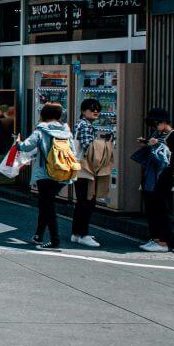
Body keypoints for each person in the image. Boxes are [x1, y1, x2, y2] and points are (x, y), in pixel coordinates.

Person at [13, 102, 74, 250]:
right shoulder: (67, 131)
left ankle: (55, 240)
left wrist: (17, 142)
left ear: (43, 115)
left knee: (48, 207)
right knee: (45, 204)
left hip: (45, 174)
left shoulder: (40, 131)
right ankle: (38, 235)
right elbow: (72, 150)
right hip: (63, 172)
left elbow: (26, 146)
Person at [138, 107, 174, 253]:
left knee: (163, 210)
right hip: (151, 177)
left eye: (156, 124)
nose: (154, 127)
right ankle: (155, 238)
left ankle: (164, 242)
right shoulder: (157, 133)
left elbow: (172, 159)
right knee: (152, 210)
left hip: (164, 178)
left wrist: (156, 144)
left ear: (163, 122)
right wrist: (146, 144)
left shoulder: (173, 136)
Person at [71, 98, 103, 247]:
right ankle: (83, 234)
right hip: (86, 168)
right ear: (84, 111)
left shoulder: (80, 124)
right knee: (87, 202)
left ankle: (77, 233)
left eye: (97, 108)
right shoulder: (85, 126)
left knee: (81, 201)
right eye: (91, 109)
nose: (95, 111)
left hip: (80, 167)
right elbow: (88, 147)